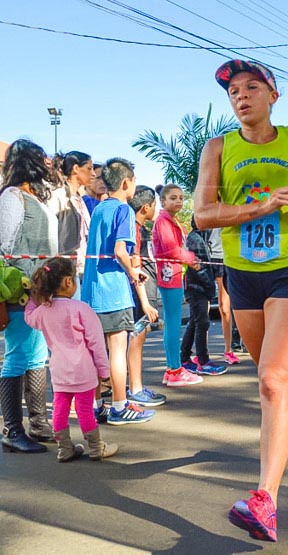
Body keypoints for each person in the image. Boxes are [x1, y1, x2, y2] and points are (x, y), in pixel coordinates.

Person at [195, 59, 288, 543]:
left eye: (252, 87)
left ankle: (265, 500)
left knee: (270, 379)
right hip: (244, 275)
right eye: (233, 91)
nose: (241, 96)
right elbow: (201, 215)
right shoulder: (217, 148)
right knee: (277, 371)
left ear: (273, 95)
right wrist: (259, 206)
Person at [0, 139, 59, 454]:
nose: (48, 164)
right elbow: (8, 248)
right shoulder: (12, 197)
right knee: (18, 356)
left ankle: (39, 423)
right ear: (31, 163)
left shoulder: (35, 198)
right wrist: (32, 280)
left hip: (41, 291)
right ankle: (12, 430)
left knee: (36, 357)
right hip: (22, 292)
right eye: (42, 159)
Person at [80, 158, 155, 425]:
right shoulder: (123, 210)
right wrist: (134, 273)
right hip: (113, 292)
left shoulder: (99, 208)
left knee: (95, 353)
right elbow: (120, 251)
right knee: (117, 351)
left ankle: (97, 405)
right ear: (126, 183)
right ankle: (120, 406)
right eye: (133, 181)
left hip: (90, 293)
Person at [25, 257, 118, 462]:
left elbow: (29, 317)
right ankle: (96, 447)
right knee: (84, 409)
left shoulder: (43, 311)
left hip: (59, 371)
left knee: (60, 408)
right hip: (83, 370)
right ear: (68, 282)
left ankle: (64, 448)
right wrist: (104, 372)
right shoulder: (81, 309)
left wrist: (31, 297)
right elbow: (97, 345)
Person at [151, 184, 204, 387]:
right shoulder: (163, 221)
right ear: (163, 201)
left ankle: (174, 368)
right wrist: (192, 259)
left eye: (181, 198)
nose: (179, 201)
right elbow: (172, 250)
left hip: (174, 275)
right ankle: (174, 370)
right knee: (172, 324)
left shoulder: (171, 221)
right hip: (169, 274)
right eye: (173, 198)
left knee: (173, 323)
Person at [124, 185, 165, 409]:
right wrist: (146, 302)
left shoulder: (135, 226)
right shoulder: (134, 229)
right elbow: (134, 266)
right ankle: (135, 389)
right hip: (133, 294)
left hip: (130, 293)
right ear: (146, 207)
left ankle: (134, 387)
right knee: (136, 338)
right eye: (155, 205)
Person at [182, 217, 227, 376]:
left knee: (194, 322)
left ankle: (185, 358)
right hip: (197, 287)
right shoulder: (196, 241)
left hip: (198, 286)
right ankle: (203, 361)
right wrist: (209, 286)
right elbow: (199, 268)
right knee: (202, 323)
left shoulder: (200, 239)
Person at [51, 151, 93, 276]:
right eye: (89, 168)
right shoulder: (58, 196)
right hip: (63, 269)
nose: (93, 173)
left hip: (80, 268)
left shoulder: (79, 198)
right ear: (76, 168)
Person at [207, 227, 241, 363]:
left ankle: (229, 349)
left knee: (225, 307)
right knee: (203, 310)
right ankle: (202, 354)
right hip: (208, 257)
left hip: (226, 257)